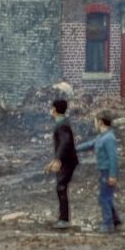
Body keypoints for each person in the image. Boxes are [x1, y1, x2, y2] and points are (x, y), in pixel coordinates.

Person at [77, 111, 122, 233]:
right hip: (103, 171)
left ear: (101, 122)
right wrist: (74, 149)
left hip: (107, 172)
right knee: (107, 196)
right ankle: (117, 221)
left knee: (104, 198)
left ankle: (107, 225)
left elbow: (113, 158)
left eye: (95, 121)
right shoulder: (101, 137)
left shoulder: (109, 139)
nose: (94, 124)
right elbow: (90, 144)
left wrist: (113, 175)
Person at [44, 98, 78, 229]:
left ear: (54, 109)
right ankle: (63, 218)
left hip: (67, 161)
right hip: (66, 160)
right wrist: (54, 160)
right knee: (60, 187)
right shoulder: (62, 122)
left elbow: (65, 142)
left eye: (51, 108)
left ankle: (64, 219)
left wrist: (58, 159)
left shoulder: (62, 125)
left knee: (61, 187)